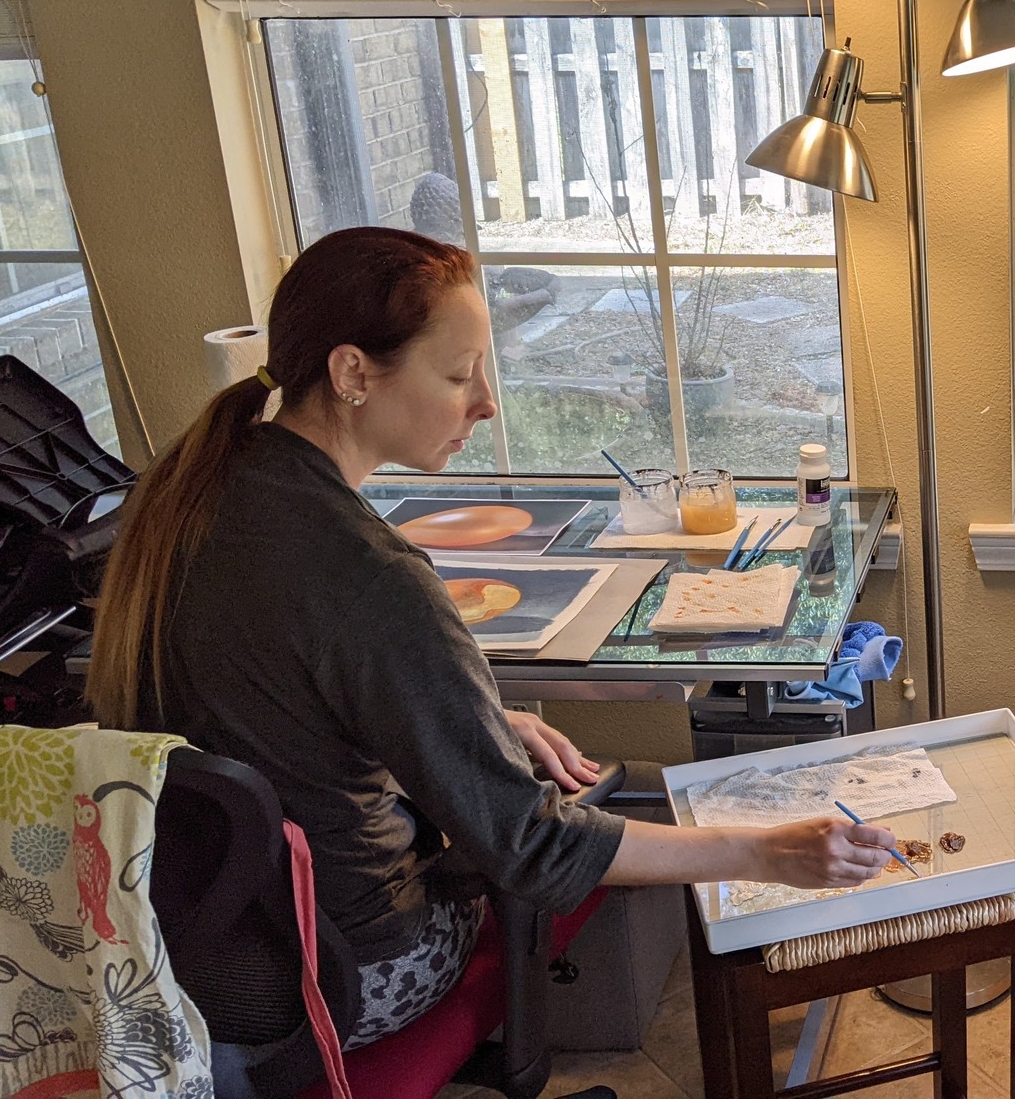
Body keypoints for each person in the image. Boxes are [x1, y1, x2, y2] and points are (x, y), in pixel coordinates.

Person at [86, 226, 894, 1047]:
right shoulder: (370, 575)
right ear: (352, 372)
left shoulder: (198, 495)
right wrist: (764, 856)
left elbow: (274, 710)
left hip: (191, 948)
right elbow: (531, 850)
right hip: (350, 969)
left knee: (598, 787)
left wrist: (479, 723)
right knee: (657, 798)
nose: (486, 403)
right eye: (458, 374)